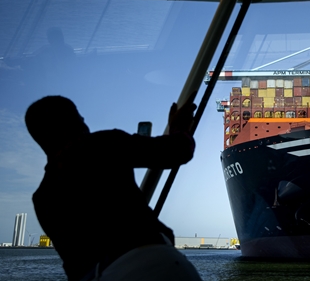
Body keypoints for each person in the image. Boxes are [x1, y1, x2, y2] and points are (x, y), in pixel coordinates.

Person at [25, 95, 203, 281]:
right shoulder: (105, 143)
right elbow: (177, 150)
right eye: (79, 116)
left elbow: (76, 267)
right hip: (157, 263)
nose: (85, 122)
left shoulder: (42, 199)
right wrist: (179, 127)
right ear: (70, 123)